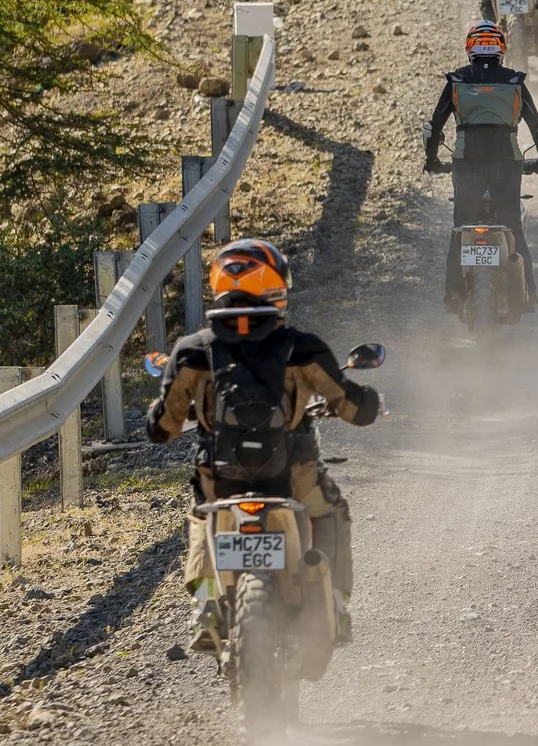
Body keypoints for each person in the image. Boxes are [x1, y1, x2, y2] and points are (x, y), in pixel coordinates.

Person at [146, 239, 382, 650]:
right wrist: (370, 401)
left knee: (202, 517)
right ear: (277, 288)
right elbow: (353, 409)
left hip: (220, 480)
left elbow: (162, 429)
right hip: (293, 476)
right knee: (332, 511)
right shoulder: (300, 347)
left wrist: (174, 409)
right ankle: (336, 604)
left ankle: (206, 606)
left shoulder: (193, 351)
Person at [423, 21, 538, 314]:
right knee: (514, 228)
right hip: (507, 163)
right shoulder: (514, 82)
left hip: (466, 163)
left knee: (459, 229)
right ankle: (529, 293)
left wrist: (431, 160)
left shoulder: (456, 81)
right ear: (501, 49)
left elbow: (432, 129)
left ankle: (454, 294)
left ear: (470, 49)